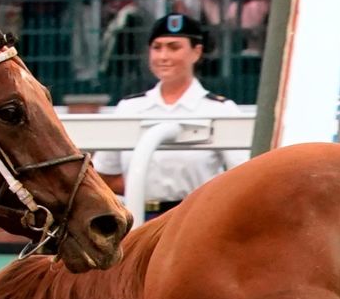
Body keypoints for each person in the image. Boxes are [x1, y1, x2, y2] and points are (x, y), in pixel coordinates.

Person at [93, 14, 249, 217]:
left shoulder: (220, 109)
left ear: (197, 52)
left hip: (196, 219)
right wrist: (143, 190)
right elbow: (105, 174)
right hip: (141, 218)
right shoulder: (130, 108)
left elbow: (242, 174)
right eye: (157, 48)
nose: (163, 56)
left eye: (174, 47)